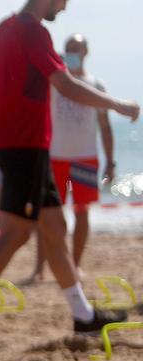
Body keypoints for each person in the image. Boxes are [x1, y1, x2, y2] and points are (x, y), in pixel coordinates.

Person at [0, 0, 138, 346]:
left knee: (54, 228)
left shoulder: (0, 30)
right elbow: (65, 84)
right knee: (14, 233)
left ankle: (83, 316)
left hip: (22, 148)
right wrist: (117, 104)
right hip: (26, 147)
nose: (63, 8)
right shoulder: (33, 31)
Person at [31, 34, 118, 281]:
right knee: (46, 215)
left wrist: (110, 161)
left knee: (82, 212)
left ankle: (75, 265)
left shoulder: (97, 85)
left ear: (86, 51)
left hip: (85, 158)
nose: (72, 53)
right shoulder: (55, 82)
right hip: (55, 157)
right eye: (68, 49)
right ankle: (40, 269)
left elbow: (105, 125)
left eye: (76, 49)